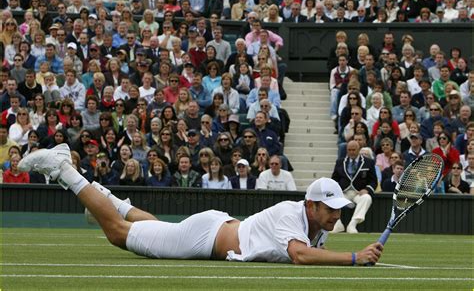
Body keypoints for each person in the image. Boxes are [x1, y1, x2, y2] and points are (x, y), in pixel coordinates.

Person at [18, 145, 383, 265]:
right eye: (330, 208)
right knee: (118, 234)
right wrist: (354, 257)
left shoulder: (315, 228)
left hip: (213, 229)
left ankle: (104, 195)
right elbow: (300, 256)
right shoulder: (292, 213)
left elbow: (308, 251)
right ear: (310, 205)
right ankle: (63, 169)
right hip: (206, 237)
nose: (336, 215)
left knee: (157, 228)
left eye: (338, 209)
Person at [331, 140, 377, 234]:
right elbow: (334, 179)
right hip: (343, 193)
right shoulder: (340, 162)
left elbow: (373, 181)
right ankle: (337, 224)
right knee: (332, 198)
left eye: (354, 150)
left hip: (359, 193)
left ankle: (352, 224)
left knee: (367, 198)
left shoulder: (369, 162)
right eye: (349, 150)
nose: (351, 152)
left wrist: (367, 189)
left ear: (359, 149)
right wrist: (337, 190)